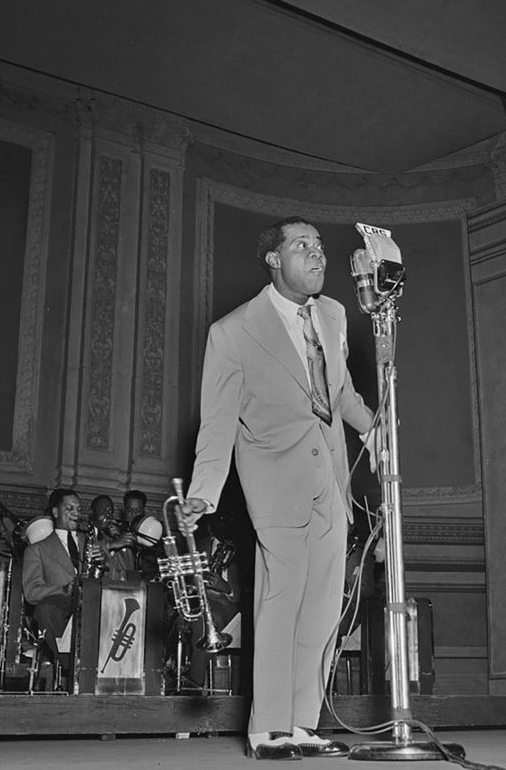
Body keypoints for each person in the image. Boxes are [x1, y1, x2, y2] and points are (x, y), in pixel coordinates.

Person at [176, 216, 376, 760]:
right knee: (281, 599)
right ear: (273, 259)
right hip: (274, 480)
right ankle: (267, 729)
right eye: (302, 245)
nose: (317, 254)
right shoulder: (233, 331)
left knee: (322, 607)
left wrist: (373, 430)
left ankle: (303, 723)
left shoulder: (333, 315)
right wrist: (203, 492)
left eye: (319, 245)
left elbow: (340, 391)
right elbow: (218, 421)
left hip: (331, 479)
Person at [21, 488, 85, 670]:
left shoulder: (93, 543)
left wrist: (104, 560)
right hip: (62, 604)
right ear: (55, 512)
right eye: (69, 508)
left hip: (94, 600)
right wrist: (63, 589)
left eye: (79, 509)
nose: (76, 513)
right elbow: (31, 592)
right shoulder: (36, 550)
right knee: (46, 610)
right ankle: (71, 666)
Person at [90, 494, 136, 580]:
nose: (107, 515)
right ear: (92, 513)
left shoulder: (111, 537)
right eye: (103, 511)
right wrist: (111, 545)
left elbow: (128, 570)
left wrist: (118, 537)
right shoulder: (84, 533)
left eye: (110, 512)